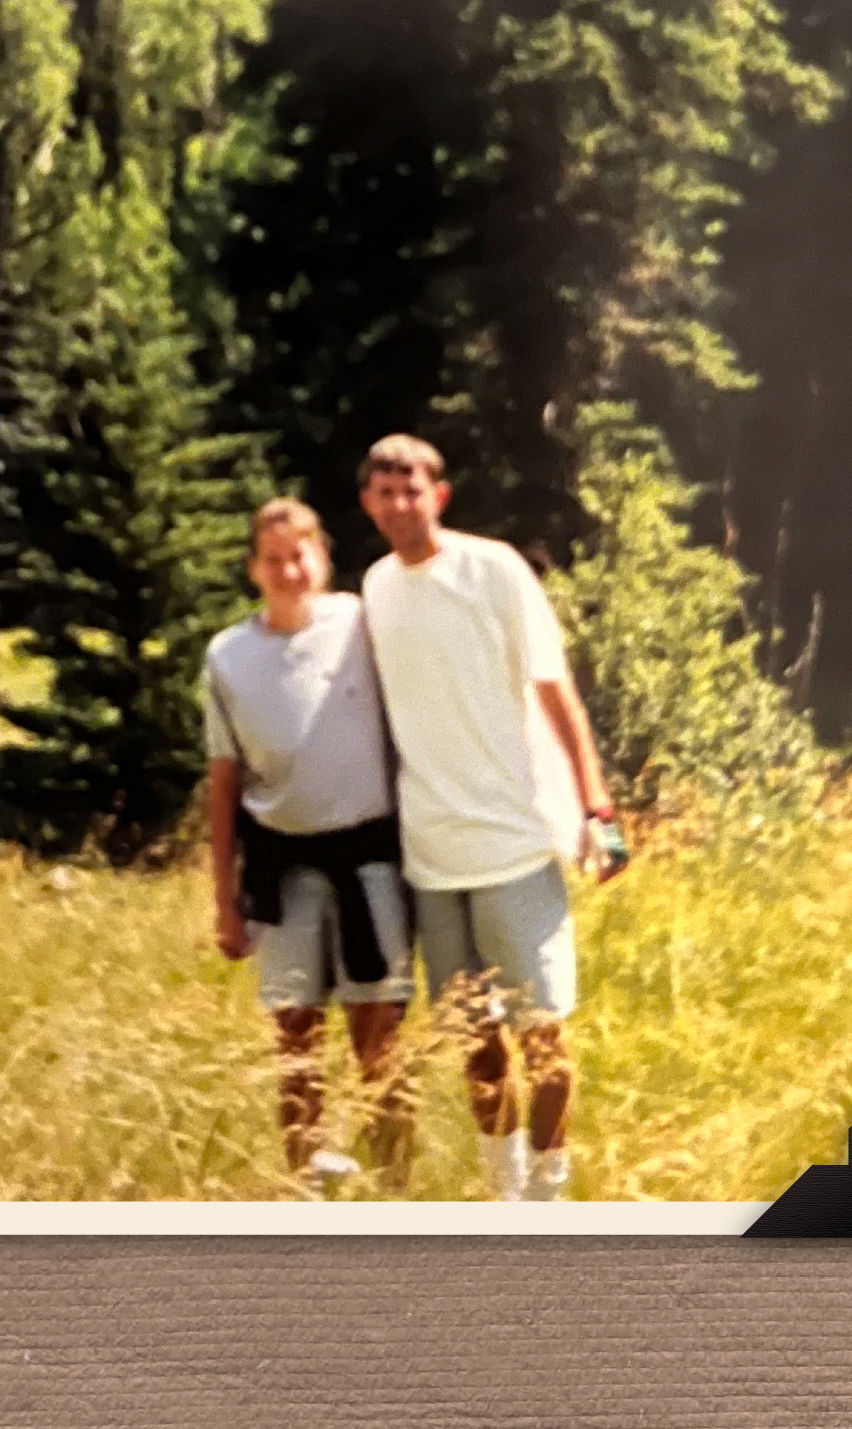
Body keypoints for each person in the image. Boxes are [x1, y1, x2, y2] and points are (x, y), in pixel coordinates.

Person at [357, 434, 627, 1203]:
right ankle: (504, 1195)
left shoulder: (495, 569)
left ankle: (551, 1196)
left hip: (516, 845)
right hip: (432, 861)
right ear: (368, 505)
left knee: (544, 1036)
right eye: (384, 491)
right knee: (475, 1043)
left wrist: (598, 814)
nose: (399, 502)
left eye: (413, 487)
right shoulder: (376, 587)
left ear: (438, 495)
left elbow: (556, 689)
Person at [203, 497, 415, 1190]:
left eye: (301, 555)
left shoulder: (361, 623)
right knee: (295, 1037)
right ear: (252, 569)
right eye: (274, 559)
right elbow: (224, 784)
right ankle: (308, 1187)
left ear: (322, 558)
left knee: (377, 1031)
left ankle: (396, 1183)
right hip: (283, 866)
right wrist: (225, 904)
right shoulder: (229, 656)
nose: (290, 570)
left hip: (369, 859)